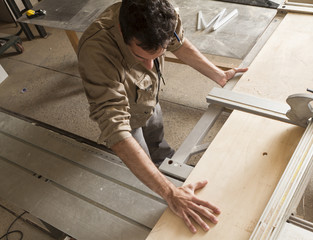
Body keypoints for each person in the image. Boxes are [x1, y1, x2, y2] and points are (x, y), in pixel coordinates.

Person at [77, 0, 247, 234]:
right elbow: (115, 129)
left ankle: (164, 159)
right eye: (139, 56)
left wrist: (218, 75)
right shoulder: (96, 50)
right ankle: (162, 189)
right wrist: (169, 192)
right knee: (140, 154)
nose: (149, 65)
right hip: (126, 108)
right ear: (121, 32)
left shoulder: (165, 15)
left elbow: (180, 45)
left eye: (158, 54)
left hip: (148, 94)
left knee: (156, 130)